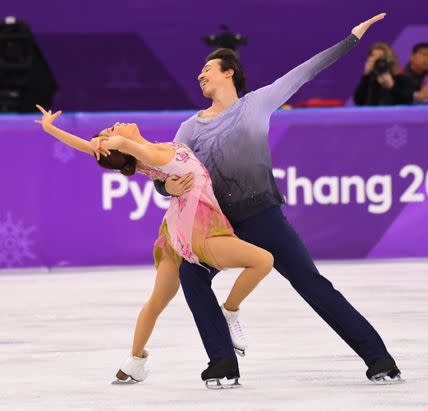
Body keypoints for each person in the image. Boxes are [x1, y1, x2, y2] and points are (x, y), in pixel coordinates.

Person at [127, 13, 403, 384]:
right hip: (217, 225)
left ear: (229, 73)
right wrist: (165, 189)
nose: (200, 74)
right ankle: (223, 362)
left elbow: (306, 71)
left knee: (311, 282)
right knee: (192, 279)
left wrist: (351, 39)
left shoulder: (257, 103)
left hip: (262, 215)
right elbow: (166, 172)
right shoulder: (189, 128)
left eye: (207, 68)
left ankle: (378, 356)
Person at [35, 105, 274, 389]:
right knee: (264, 260)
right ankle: (230, 311)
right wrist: (104, 142)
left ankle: (135, 361)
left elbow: (104, 148)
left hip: (175, 230)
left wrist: (52, 129)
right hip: (199, 228)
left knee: (156, 302)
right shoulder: (150, 154)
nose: (117, 123)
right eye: (112, 129)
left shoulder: (143, 159)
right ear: (120, 145)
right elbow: (118, 145)